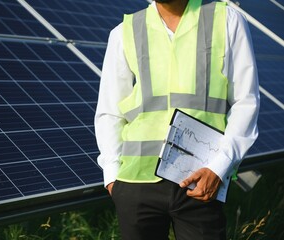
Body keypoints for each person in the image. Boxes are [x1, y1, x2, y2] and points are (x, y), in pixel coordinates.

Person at [94, 0, 259, 239]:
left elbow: (246, 102)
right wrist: (112, 177)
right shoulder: (125, 31)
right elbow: (109, 111)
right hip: (135, 184)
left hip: (201, 181)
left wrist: (219, 167)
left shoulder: (226, 20)